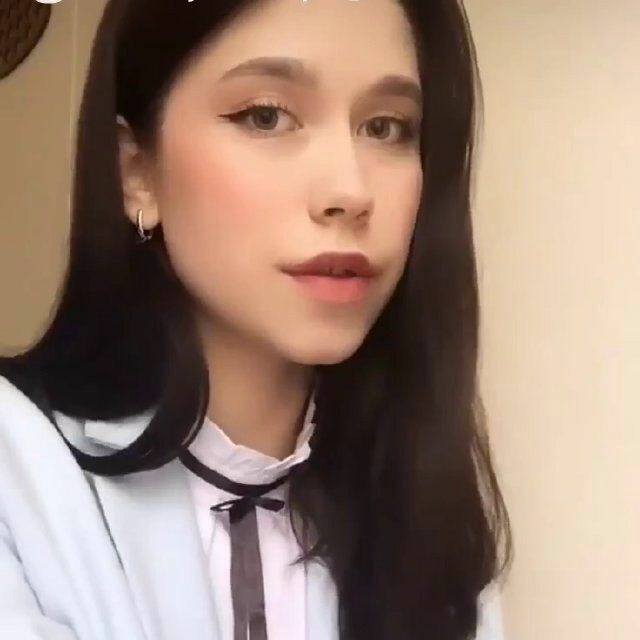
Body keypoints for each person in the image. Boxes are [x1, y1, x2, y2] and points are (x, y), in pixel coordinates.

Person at [0, 0, 513, 638]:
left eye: (386, 127)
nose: (350, 191)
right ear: (136, 172)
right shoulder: (17, 467)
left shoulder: (431, 518)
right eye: (266, 116)